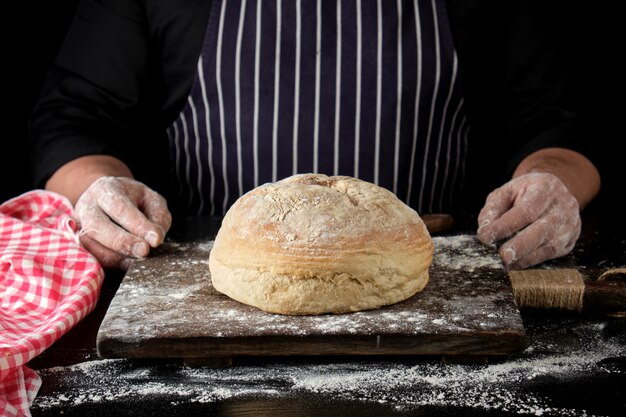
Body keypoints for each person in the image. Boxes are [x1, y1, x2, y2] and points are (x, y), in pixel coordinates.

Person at [29, 0, 600, 271]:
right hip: (206, 283)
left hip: (425, 282)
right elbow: (74, 119)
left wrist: (550, 184)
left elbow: (559, 124)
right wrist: (99, 188)